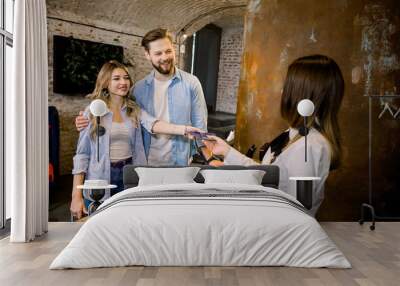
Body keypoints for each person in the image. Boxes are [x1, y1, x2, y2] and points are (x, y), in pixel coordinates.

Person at [203, 55, 345, 216]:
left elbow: (296, 210)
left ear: (301, 94)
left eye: (288, 85)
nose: (282, 90)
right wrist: (227, 151)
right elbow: (267, 174)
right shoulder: (295, 135)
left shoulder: (309, 147)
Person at [70, 60, 200, 219]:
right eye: (116, 78)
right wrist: (75, 197)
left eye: (126, 78)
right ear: (105, 83)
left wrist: (184, 129)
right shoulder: (92, 112)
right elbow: (82, 156)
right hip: (99, 178)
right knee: (99, 223)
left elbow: (154, 124)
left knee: (126, 222)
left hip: (128, 175)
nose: (123, 82)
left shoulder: (134, 110)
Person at [75, 28, 213, 166]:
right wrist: (86, 119)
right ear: (147, 55)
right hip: (145, 163)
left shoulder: (191, 83)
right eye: (158, 53)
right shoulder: (137, 90)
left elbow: (200, 125)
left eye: (168, 51)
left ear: (174, 49)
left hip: (180, 161)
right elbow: (135, 118)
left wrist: (210, 159)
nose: (164, 57)